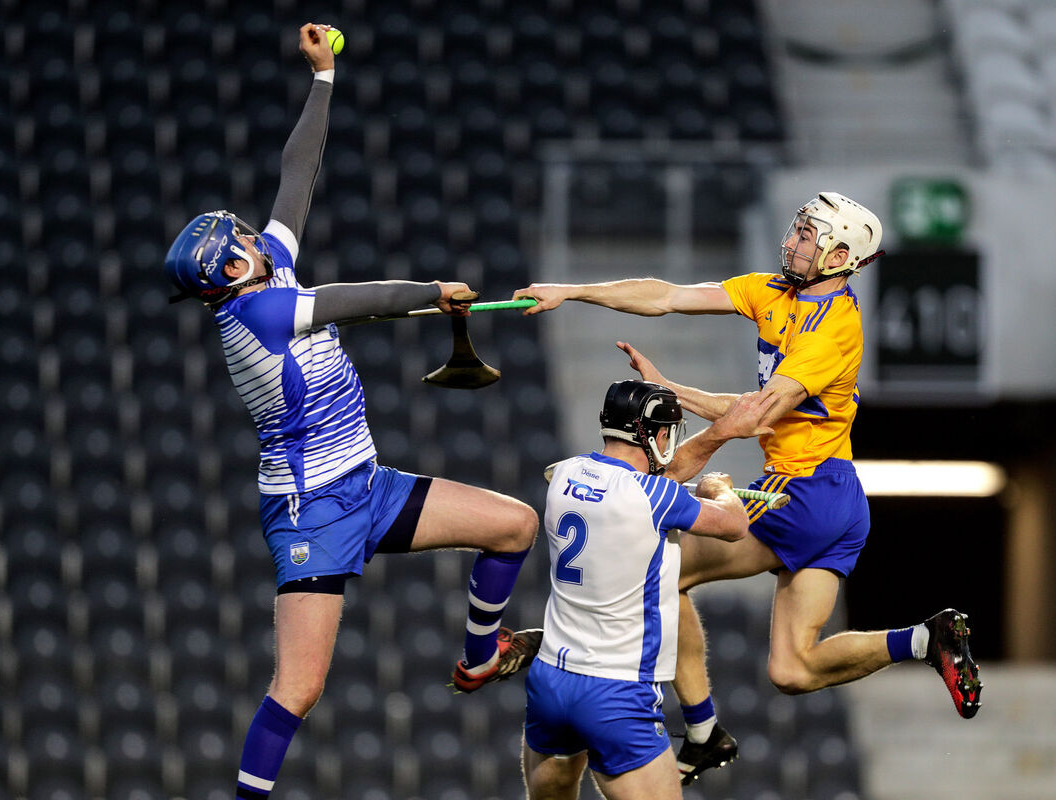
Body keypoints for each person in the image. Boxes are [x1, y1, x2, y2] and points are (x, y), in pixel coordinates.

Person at [163, 25, 541, 800]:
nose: (251, 232)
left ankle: (478, 658)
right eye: (240, 238)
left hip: (365, 486)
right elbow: (357, 302)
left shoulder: (264, 278)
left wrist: (325, 77)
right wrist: (430, 292)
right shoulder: (258, 313)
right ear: (233, 268)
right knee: (298, 690)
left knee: (514, 525)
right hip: (311, 512)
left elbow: (296, 176)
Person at [514, 192, 982, 785]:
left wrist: (682, 459)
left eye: (807, 237)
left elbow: (752, 416)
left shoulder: (832, 332)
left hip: (801, 495)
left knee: (668, 568)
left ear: (839, 256)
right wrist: (573, 293)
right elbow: (666, 297)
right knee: (793, 669)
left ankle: (701, 728)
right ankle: (923, 638)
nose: (791, 242)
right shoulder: (773, 291)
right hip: (837, 502)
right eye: (795, 230)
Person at [524, 379, 766, 800]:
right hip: (616, 691)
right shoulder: (654, 496)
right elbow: (734, 525)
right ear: (655, 435)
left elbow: (636, 484)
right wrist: (719, 489)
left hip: (550, 680)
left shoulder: (564, 472)